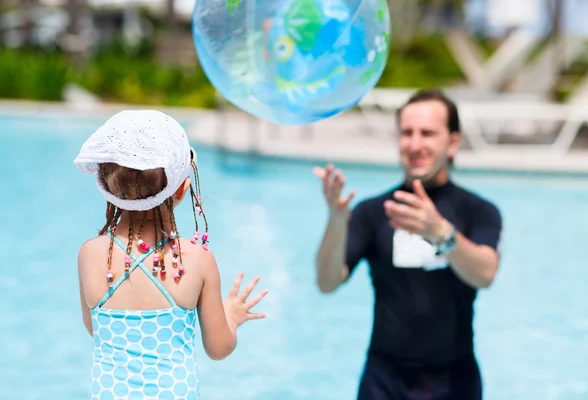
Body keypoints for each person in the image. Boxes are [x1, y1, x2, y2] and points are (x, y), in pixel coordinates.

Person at [313, 89, 503, 400]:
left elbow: (485, 274)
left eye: (427, 133)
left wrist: (441, 233)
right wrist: (336, 222)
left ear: (452, 142)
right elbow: (327, 282)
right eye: (406, 133)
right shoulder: (373, 212)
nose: (415, 145)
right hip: (383, 381)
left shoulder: (478, 211)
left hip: (455, 381)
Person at [74, 110, 268, 400]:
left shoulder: (90, 254)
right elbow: (218, 348)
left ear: (109, 191)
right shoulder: (197, 260)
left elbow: (96, 329)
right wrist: (232, 316)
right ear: (181, 189)